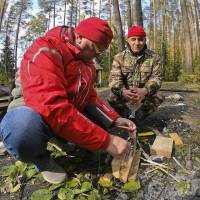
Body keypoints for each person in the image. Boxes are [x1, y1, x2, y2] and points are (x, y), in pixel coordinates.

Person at [0, 17, 136, 184]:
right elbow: (52, 107)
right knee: (22, 130)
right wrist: (107, 141)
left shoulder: (88, 64)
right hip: (31, 107)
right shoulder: (46, 50)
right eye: (94, 48)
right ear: (79, 38)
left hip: (63, 110)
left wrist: (114, 119)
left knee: (96, 128)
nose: (95, 56)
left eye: (100, 52)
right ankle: (41, 160)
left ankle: (60, 137)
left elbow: (89, 96)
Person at [108, 25, 163, 124]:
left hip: (144, 95)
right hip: (126, 94)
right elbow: (114, 80)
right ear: (128, 40)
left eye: (140, 40)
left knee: (159, 96)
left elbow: (157, 78)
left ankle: (138, 118)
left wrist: (145, 91)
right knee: (112, 97)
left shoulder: (154, 57)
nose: (137, 43)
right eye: (133, 39)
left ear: (145, 40)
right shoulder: (119, 58)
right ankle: (127, 117)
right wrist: (123, 92)